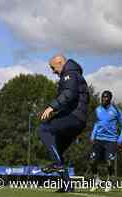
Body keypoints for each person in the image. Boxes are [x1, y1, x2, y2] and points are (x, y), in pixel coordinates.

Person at [38, 54, 90, 192]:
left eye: (53, 67)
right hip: (78, 119)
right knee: (56, 149)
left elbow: (69, 93)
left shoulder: (70, 74)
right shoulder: (72, 74)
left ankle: (56, 164)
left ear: (60, 62)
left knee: (44, 129)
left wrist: (52, 107)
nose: (53, 71)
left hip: (74, 117)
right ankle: (67, 186)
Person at [89, 90, 122, 192]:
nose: (104, 99)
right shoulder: (98, 109)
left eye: (106, 97)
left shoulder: (116, 110)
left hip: (111, 140)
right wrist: (93, 135)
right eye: (102, 97)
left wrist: (120, 139)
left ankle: (109, 182)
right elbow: (97, 123)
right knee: (92, 161)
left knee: (109, 162)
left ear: (110, 98)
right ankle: (96, 180)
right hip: (98, 139)